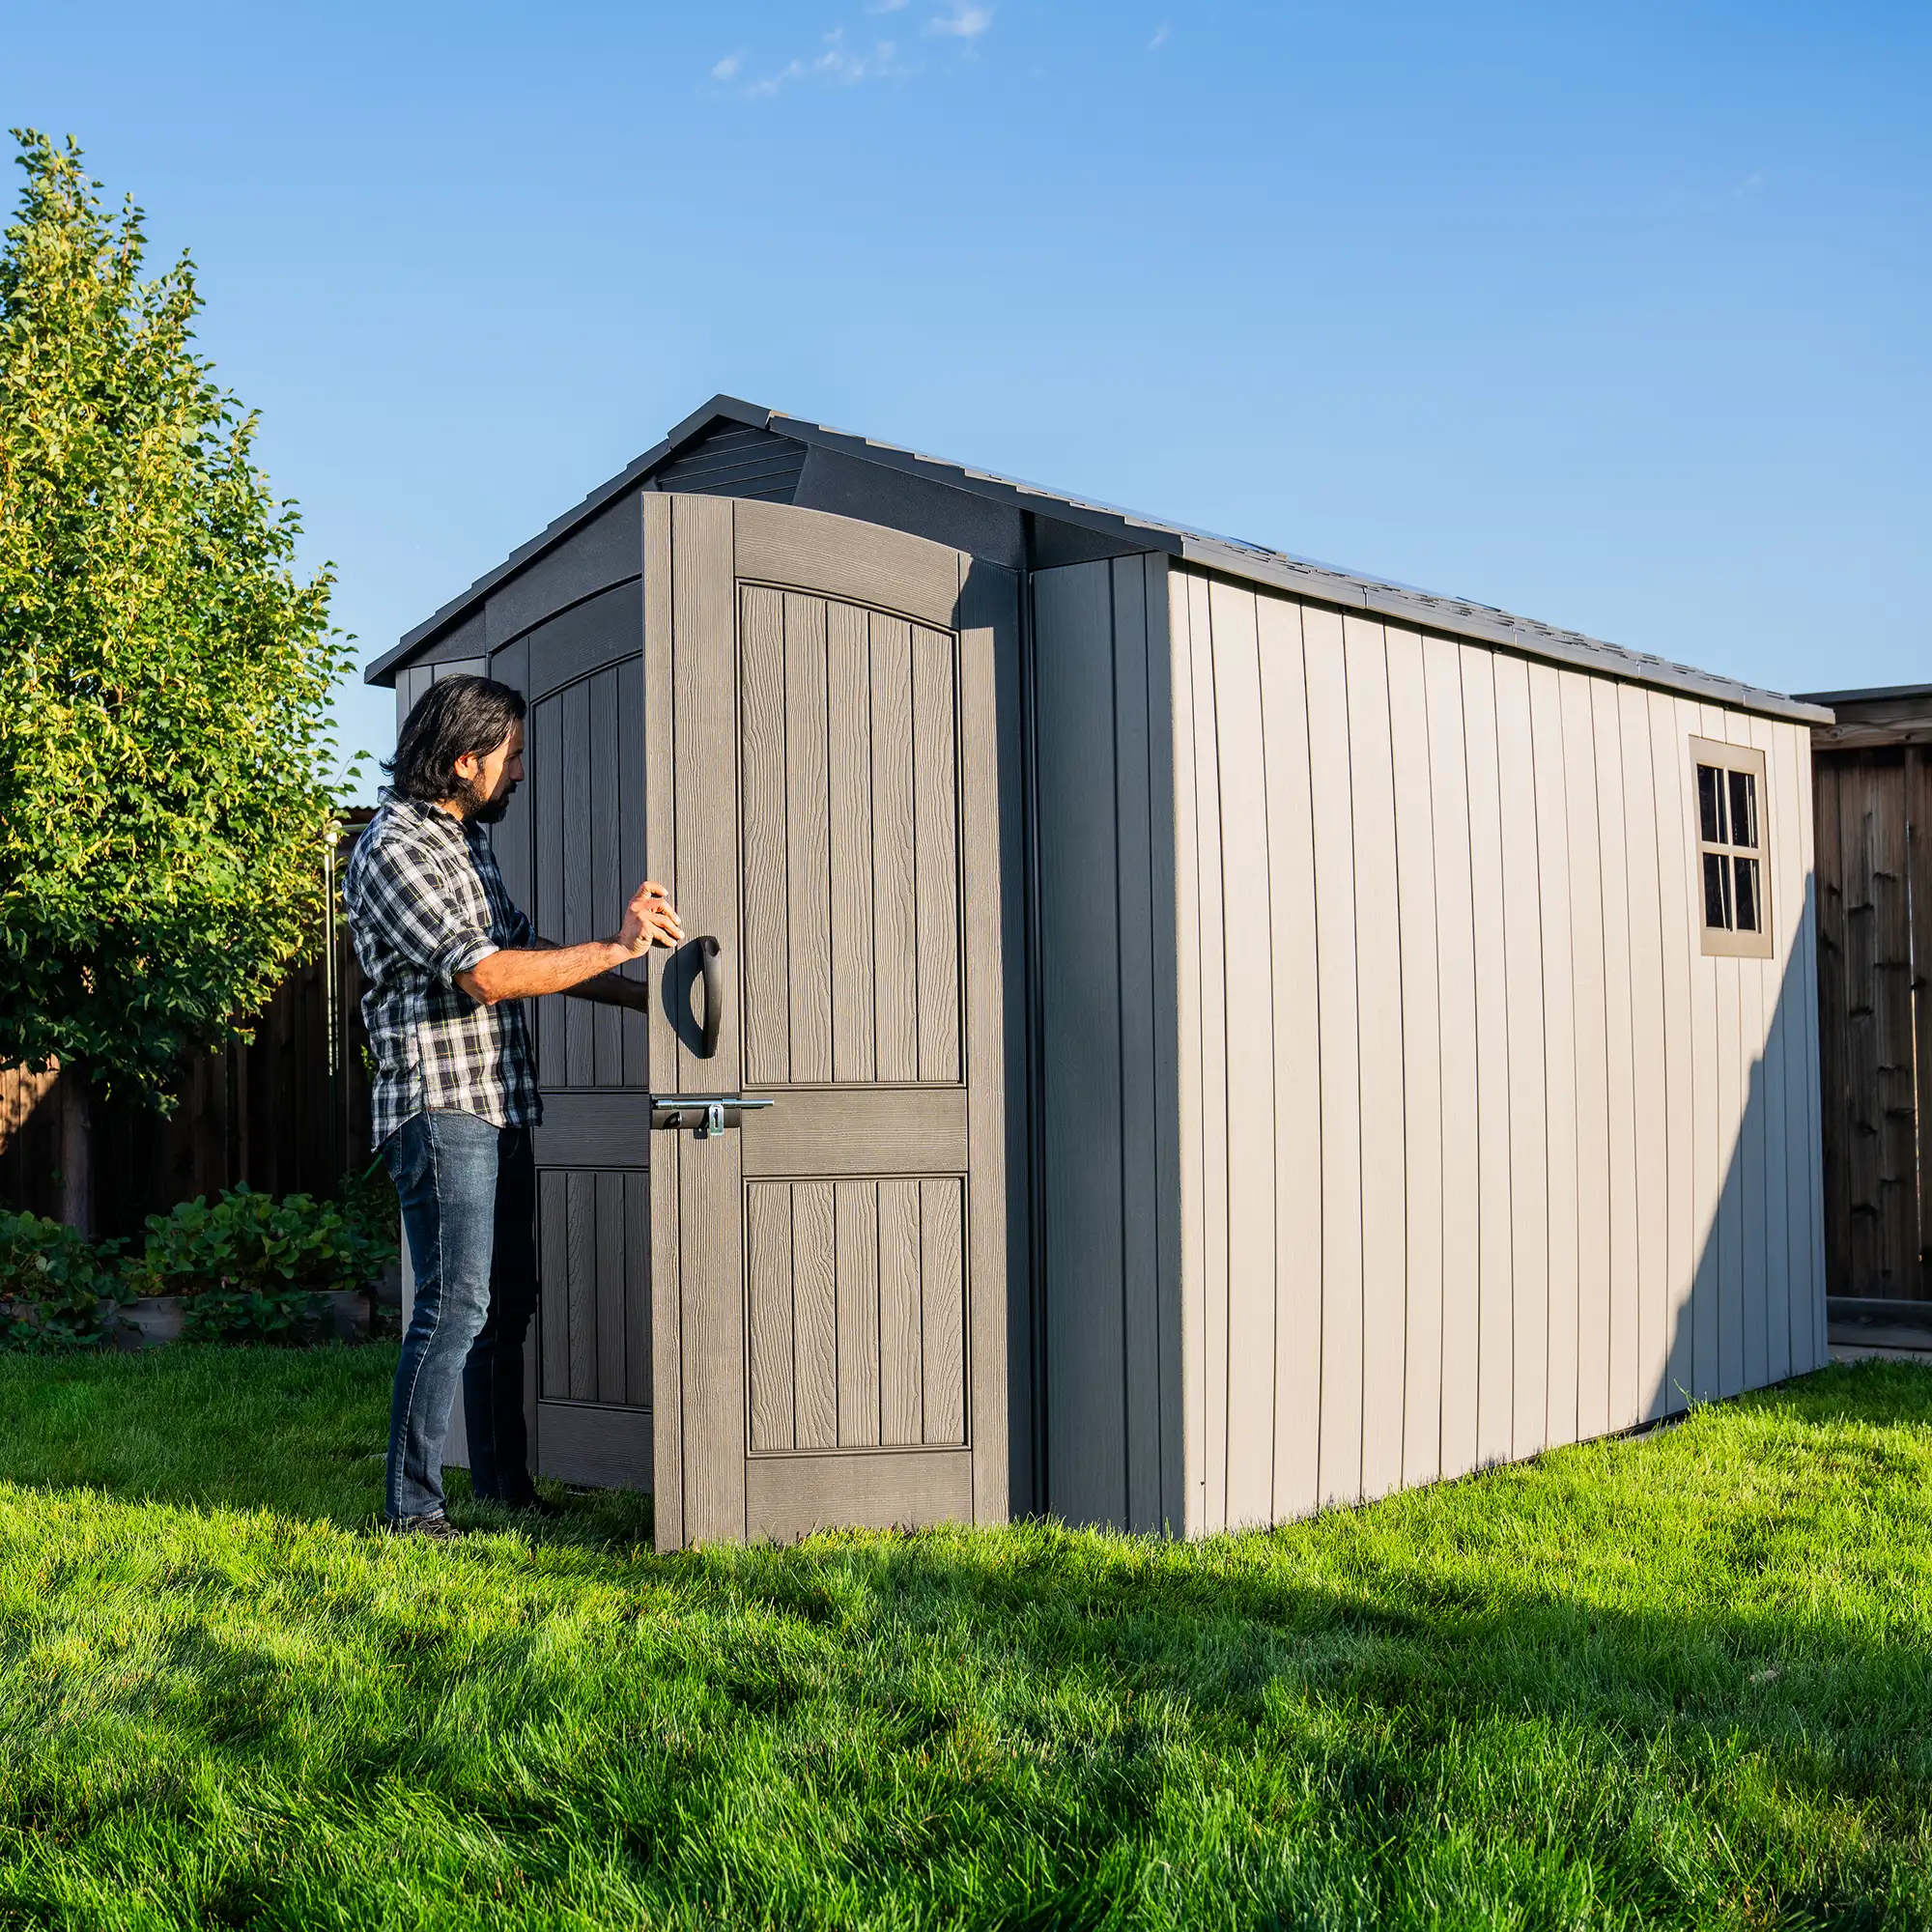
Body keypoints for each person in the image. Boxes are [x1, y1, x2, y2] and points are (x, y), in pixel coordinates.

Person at [343, 674, 682, 1540]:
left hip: (497, 1102)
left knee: (506, 1301)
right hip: (442, 1105)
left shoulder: (464, 844)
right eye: (513, 756)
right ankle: (414, 1509)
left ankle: (502, 1487)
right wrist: (613, 943)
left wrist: (640, 992)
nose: (521, 771)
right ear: (464, 761)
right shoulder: (394, 847)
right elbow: (486, 975)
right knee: (454, 1306)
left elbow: (525, 948)